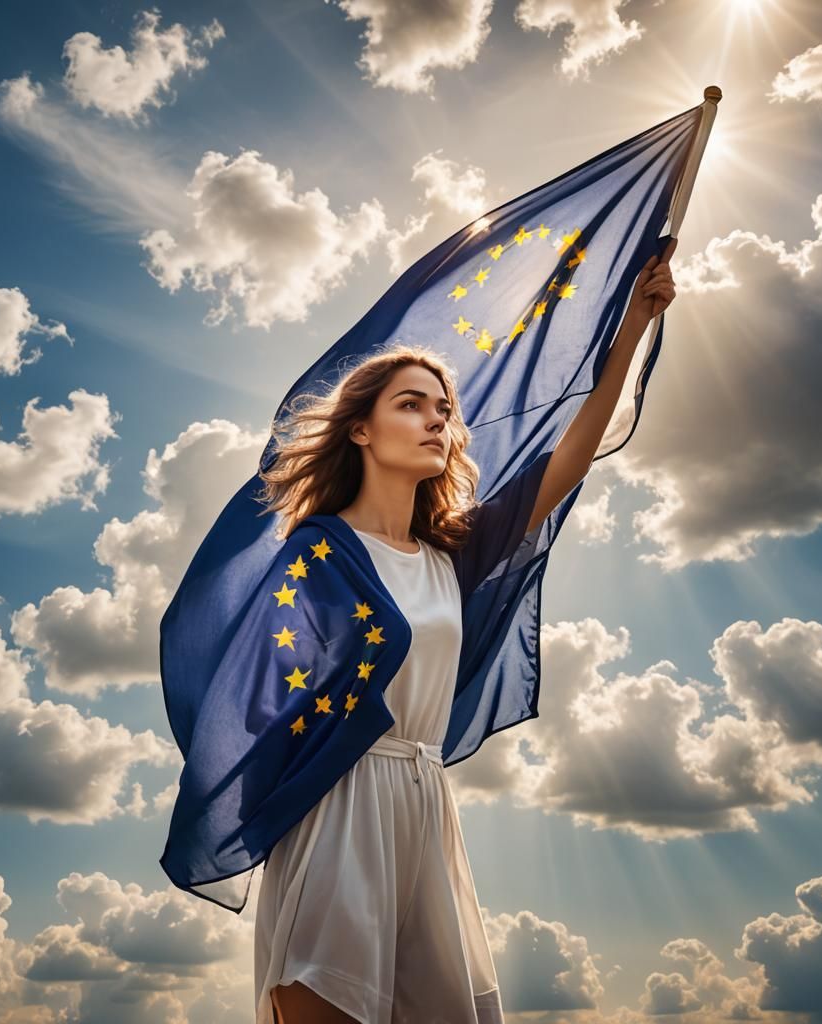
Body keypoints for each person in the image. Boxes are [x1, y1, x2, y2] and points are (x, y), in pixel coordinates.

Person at [252, 244, 677, 1024]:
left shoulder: (454, 555)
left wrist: (633, 327)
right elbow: (271, 698)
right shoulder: (319, 552)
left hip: (426, 802)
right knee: (329, 996)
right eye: (411, 405)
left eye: (443, 410)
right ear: (360, 430)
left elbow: (571, 457)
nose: (435, 420)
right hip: (339, 801)